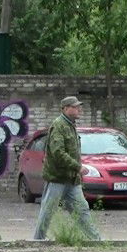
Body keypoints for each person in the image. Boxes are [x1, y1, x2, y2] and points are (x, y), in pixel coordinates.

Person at [33, 96, 102, 241]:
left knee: (82, 210)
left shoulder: (71, 125)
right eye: (75, 107)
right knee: (48, 211)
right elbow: (58, 153)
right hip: (57, 178)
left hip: (72, 180)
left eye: (78, 106)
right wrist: (78, 167)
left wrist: (76, 170)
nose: (79, 109)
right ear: (65, 109)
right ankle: (37, 241)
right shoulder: (58, 125)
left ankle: (96, 241)